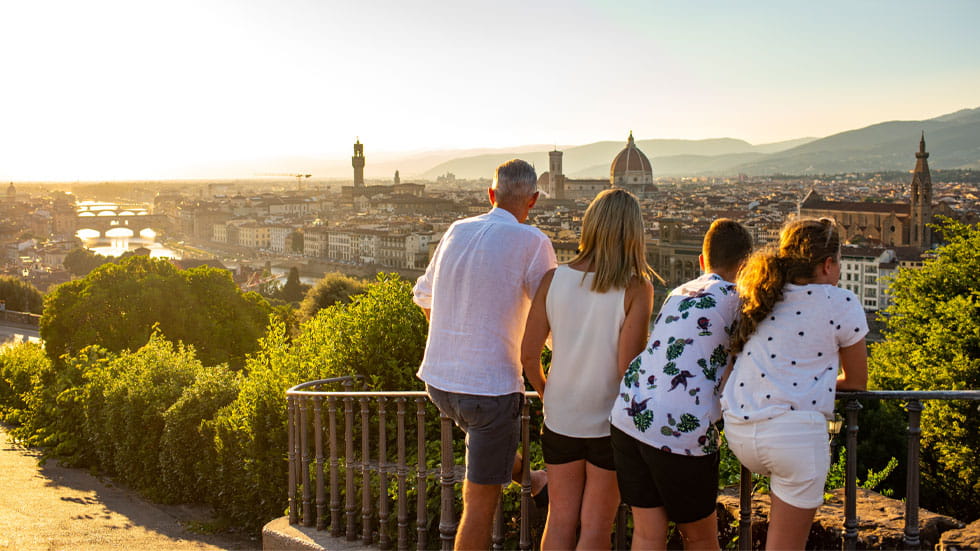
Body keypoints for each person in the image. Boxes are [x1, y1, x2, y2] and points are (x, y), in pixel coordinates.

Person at [414, 158, 557, 551]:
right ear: (534, 200)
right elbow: (550, 322)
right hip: (490, 391)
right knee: (479, 505)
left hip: (439, 383)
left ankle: (535, 478)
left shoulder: (457, 230)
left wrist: (453, 343)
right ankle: (535, 478)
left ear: (491, 195)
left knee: (485, 438)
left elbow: (423, 295)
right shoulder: (534, 242)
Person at [721, 217, 868, 551]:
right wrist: (811, 383)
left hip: (740, 430)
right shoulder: (841, 302)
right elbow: (857, 380)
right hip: (795, 439)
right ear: (828, 264)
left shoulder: (761, 293)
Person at [522, 189, 655, 550]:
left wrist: (550, 394)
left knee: (560, 519)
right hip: (607, 423)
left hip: (561, 418)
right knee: (596, 527)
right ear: (633, 232)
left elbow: (529, 356)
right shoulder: (636, 287)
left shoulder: (552, 279)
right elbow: (628, 368)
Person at [608, 218, 753, 551]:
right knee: (700, 537)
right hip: (681, 428)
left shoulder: (678, 292)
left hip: (630, 415)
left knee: (647, 534)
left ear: (702, 262)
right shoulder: (739, 299)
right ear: (746, 268)